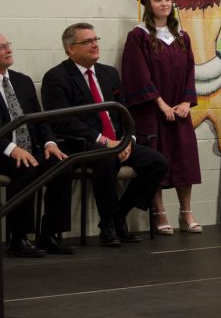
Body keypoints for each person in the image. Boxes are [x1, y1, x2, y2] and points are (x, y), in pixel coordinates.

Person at [41, 23, 168, 246]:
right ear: (71, 48)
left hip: (118, 141)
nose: (94, 45)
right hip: (83, 144)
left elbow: (125, 112)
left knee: (157, 162)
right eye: (87, 41)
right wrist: (104, 140)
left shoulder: (109, 73)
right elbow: (62, 121)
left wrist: (128, 140)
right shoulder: (56, 77)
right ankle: (108, 224)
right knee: (106, 158)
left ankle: (119, 214)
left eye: (96, 39)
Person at [121, 0, 202, 234]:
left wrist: (186, 102)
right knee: (157, 159)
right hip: (152, 111)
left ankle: (186, 213)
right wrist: (161, 104)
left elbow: (190, 70)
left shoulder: (182, 36)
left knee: (184, 159)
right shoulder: (139, 35)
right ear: (149, 4)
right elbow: (138, 74)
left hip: (179, 110)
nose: (164, 3)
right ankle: (159, 213)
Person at [0, 32, 73, 257]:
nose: (8, 49)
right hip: (3, 151)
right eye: (2, 47)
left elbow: (40, 119)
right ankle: (18, 238)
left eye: (8, 44)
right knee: (26, 166)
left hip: (28, 149)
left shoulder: (22, 81)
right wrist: (12, 149)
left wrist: (50, 142)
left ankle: (49, 234)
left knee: (62, 164)